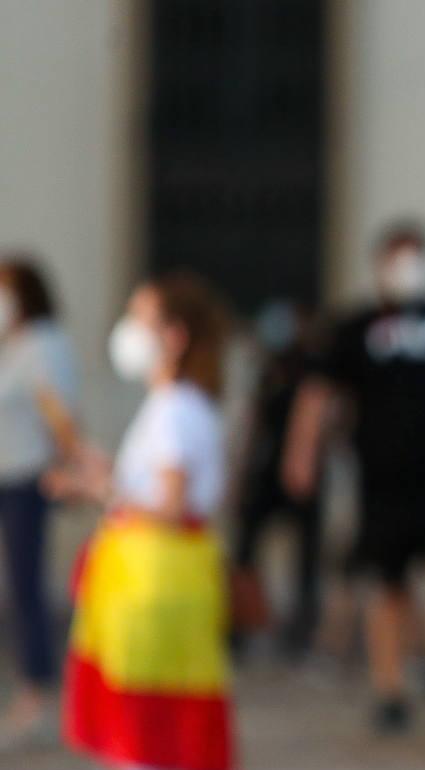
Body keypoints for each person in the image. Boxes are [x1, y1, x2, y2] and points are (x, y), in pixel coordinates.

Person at [282, 220, 425, 731]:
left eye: (419, 255)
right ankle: (390, 688)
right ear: (381, 263)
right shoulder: (356, 325)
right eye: (402, 256)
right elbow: (318, 392)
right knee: (388, 584)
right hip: (382, 479)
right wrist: (302, 454)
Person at [52, 273, 233, 770]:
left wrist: (99, 489)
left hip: (155, 584)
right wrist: (106, 474)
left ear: (174, 335)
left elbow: (171, 508)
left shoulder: (176, 409)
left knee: (148, 735)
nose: (128, 329)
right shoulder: (177, 404)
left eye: (140, 318)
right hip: (157, 578)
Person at [0, 256, 79, 749]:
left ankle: (37, 694)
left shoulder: (45, 345)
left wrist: (71, 465)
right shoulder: (14, 347)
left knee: (26, 588)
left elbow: (58, 412)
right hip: (7, 476)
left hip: (26, 481)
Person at [232, 299, 325, 659]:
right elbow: (253, 423)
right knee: (246, 549)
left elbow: (320, 416)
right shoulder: (267, 370)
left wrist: (301, 461)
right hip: (265, 473)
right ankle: (241, 626)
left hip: (304, 476)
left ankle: (303, 632)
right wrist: (240, 472)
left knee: (307, 557)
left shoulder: (313, 368)